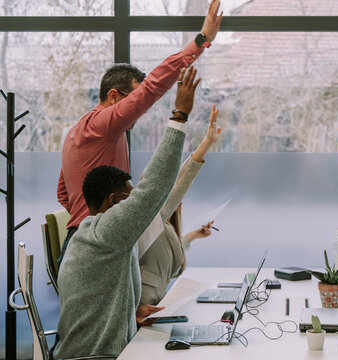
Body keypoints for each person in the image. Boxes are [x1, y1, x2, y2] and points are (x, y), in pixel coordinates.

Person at [53, 72, 220, 359]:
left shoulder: (97, 235)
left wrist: (131, 315)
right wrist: (179, 115)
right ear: (114, 201)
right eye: (131, 201)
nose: (137, 209)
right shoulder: (105, 233)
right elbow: (155, 187)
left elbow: (63, 193)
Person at [56, 0, 223, 268]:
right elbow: (151, 88)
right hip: (97, 249)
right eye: (130, 101)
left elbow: (63, 194)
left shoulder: (77, 132)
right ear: (113, 96)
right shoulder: (102, 125)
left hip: (81, 245)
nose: (139, 111)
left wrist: (86, 222)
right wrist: (200, 42)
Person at [139, 106, 222, 305]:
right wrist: (206, 143)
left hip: (157, 304)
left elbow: (166, 249)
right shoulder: (148, 218)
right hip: (144, 308)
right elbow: (183, 180)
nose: (179, 201)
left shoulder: (162, 225)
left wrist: (195, 235)